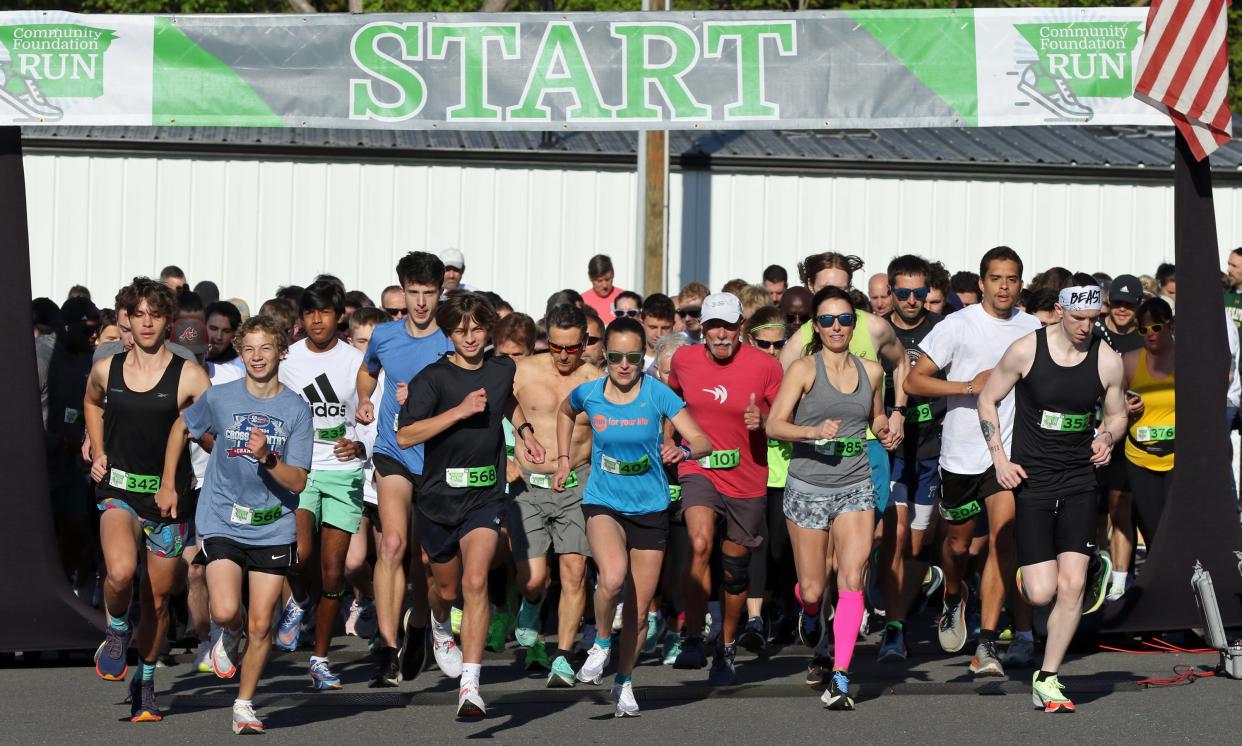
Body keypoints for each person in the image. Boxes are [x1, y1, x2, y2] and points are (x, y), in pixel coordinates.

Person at [978, 278, 1127, 713]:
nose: (1086, 327)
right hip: (1035, 480)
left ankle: (1049, 677)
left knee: (1073, 583)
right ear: (1060, 311)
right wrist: (1000, 460)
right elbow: (988, 400)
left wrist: (1107, 437)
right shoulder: (1027, 350)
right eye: (1078, 318)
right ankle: (1039, 581)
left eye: (1093, 320)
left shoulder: (1106, 360)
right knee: (1041, 593)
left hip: (1080, 479)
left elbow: (1116, 415)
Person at [396, 292, 545, 718]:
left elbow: (507, 401)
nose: (470, 337)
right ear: (448, 333)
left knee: (475, 581)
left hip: (486, 495)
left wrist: (527, 433)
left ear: (488, 330)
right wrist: (459, 412)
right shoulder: (433, 378)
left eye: (477, 329)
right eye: (461, 331)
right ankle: (439, 626)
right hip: (440, 497)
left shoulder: (502, 368)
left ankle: (471, 685)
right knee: (445, 588)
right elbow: (407, 435)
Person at [554, 316, 711, 716]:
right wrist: (562, 460)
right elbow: (563, 411)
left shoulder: (658, 394)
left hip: (651, 507)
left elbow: (703, 441)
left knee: (640, 611)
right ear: (605, 355)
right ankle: (602, 642)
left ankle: (624, 680)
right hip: (603, 500)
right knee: (611, 577)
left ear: (644, 356)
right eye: (615, 357)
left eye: (632, 357)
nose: (624, 366)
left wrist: (684, 452)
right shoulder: (589, 393)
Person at [164, 315, 313, 734]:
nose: (257, 357)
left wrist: (268, 458)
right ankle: (228, 633)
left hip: (273, 523)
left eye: (265, 348)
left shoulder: (296, 409)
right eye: (248, 349)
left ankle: (244, 704)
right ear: (239, 353)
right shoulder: (220, 398)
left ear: (281, 351)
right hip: (223, 516)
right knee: (227, 609)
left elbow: (298, 481)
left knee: (263, 624)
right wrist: (167, 483)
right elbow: (181, 428)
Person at [905, 246, 1040, 678]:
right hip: (960, 455)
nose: (1004, 286)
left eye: (1012, 278)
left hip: (1008, 456)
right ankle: (952, 592)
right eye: (996, 278)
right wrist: (968, 386)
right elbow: (914, 380)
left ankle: (985, 642)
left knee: (1003, 541)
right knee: (959, 546)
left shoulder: (1031, 327)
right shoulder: (957, 325)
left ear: (1021, 284)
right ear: (981, 283)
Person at [83, 278, 210, 722]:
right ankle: (117, 628)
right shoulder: (107, 368)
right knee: (119, 573)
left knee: (157, 600)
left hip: (167, 500)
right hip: (118, 489)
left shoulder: (189, 373)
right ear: (127, 320)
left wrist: (230, 448)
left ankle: (147, 682)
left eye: (155, 314)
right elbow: (92, 403)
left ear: (168, 321)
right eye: (139, 314)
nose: (148, 322)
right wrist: (98, 450)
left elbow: (211, 425)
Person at [766, 286, 895, 710]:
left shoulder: (873, 371)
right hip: (808, 486)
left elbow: (874, 415)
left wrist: (887, 424)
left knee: (853, 576)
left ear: (853, 325)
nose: (836, 327)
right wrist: (812, 432)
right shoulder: (803, 369)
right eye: (827, 320)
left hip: (856, 482)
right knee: (813, 587)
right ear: (816, 327)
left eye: (843, 320)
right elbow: (774, 425)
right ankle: (808, 611)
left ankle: (840, 676)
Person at [667, 292, 783, 686]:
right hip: (698, 467)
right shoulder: (683, 359)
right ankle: (693, 637)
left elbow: (784, 418)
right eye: (713, 326)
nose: (720, 334)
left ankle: (727, 645)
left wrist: (763, 418)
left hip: (747, 475)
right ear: (701, 326)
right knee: (699, 543)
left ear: (741, 328)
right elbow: (672, 404)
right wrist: (667, 442)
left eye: (728, 326)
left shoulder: (766, 365)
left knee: (735, 571)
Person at [356, 251, 455, 687]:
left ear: (441, 292)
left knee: (427, 560)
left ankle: (422, 626)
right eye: (412, 293)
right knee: (392, 543)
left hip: (438, 456)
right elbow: (367, 372)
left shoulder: (452, 340)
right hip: (393, 451)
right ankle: (388, 646)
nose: (419, 302)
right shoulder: (384, 335)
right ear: (402, 288)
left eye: (428, 294)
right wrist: (364, 399)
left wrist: (427, 396)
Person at [274, 281, 369, 689]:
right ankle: (299, 598)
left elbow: (373, 415)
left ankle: (320, 659)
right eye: (310, 313)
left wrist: (360, 444)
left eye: (325, 312)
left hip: (343, 473)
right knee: (298, 554)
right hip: (301, 470)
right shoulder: (287, 358)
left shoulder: (358, 361)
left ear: (339, 315)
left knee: (334, 574)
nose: (317, 320)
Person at [506, 304, 603, 685]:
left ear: (585, 342)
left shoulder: (597, 380)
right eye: (556, 347)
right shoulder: (524, 369)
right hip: (528, 484)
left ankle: (563, 655)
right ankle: (531, 603)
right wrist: (512, 448)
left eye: (572, 348)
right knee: (532, 579)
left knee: (575, 571)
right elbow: (499, 405)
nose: (563, 356)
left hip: (577, 482)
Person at [877, 255, 946, 662]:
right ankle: (893, 627)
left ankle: (905, 600)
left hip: (933, 447)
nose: (911, 300)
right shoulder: (876, 331)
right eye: (903, 293)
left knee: (918, 545)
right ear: (890, 292)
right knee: (896, 533)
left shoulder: (944, 329)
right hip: (891, 447)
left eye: (919, 293)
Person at [1123, 298, 1175, 546]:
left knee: (1175, 526)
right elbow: (1112, 405)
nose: (1150, 334)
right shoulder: (1131, 361)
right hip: (1140, 458)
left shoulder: (1186, 361)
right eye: (1144, 330)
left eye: (1156, 327)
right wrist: (1124, 407)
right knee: (1153, 530)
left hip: (1177, 457)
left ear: (1170, 325)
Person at [640, 294, 677, 373]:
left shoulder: (681, 359)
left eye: (665, 328)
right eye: (653, 327)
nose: (659, 334)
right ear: (642, 323)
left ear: (673, 325)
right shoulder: (632, 359)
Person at [583, 254, 623, 324]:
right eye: (599, 281)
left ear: (613, 275)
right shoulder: (582, 301)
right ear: (590, 277)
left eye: (607, 279)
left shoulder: (624, 298)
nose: (604, 286)